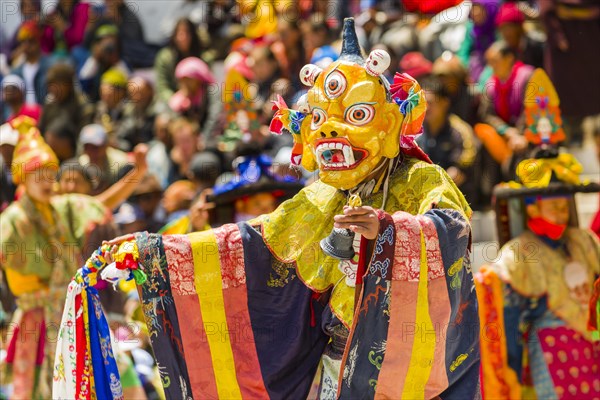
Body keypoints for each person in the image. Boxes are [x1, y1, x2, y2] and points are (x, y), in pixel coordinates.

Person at [54, 19, 480, 399]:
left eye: (357, 114)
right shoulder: (321, 198)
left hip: (408, 375)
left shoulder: (420, 180)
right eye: (320, 119)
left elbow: (451, 230)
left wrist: (388, 230)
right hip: (337, 369)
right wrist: (151, 251)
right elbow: (247, 244)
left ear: (390, 123)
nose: (331, 130)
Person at [0, 116, 117, 399]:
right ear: (22, 178)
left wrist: (132, 176)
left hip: (66, 312)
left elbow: (96, 205)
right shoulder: (13, 218)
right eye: (37, 175)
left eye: (50, 175)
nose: (47, 182)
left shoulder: (61, 209)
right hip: (35, 317)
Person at [475, 149, 600, 399]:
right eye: (554, 205)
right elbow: (505, 310)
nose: (562, 211)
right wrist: (511, 367)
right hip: (550, 348)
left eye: (565, 205)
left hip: (593, 346)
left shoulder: (583, 240)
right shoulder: (519, 251)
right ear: (532, 209)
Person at [417, 77, 480, 206]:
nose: (426, 108)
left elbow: (465, 163)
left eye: (431, 103)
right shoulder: (415, 132)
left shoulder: (460, 130)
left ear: (445, 103)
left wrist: (455, 171)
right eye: (423, 103)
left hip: (456, 198)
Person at [154, 18, 204, 104]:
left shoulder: (203, 58)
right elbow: (162, 86)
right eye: (179, 33)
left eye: (187, 33)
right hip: (172, 103)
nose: (183, 38)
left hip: (199, 103)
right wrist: (175, 101)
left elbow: (207, 85)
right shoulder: (165, 58)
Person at [10, 21, 53, 106]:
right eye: (23, 41)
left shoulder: (51, 66)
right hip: (23, 117)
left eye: (31, 41)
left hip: (44, 115)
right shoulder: (16, 70)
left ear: (38, 41)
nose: (27, 45)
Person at [495, 2, 544, 69]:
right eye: (502, 29)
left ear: (518, 27)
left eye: (508, 28)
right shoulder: (507, 52)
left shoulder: (537, 46)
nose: (505, 33)